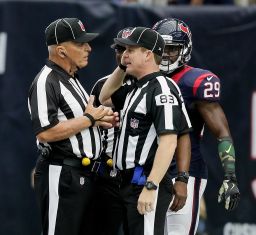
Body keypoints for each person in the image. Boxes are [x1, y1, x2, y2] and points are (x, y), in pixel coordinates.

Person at [28, 17, 118, 235]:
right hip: (62, 173)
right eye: (80, 44)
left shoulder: (72, 78)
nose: (88, 48)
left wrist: (100, 122)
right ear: (61, 51)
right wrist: (89, 119)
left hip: (86, 174)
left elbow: (79, 123)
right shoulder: (46, 81)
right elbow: (45, 132)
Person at [99, 26, 192, 235]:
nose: (124, 54)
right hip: (126, 182)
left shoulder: (162, 88)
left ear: (148, 54)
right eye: (124, 50)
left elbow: (169, 141)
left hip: (144, 180)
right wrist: (124, 66)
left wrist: (151, 186)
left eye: (131, 50)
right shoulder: (137, 87)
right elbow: (104, 97)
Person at [152, 18, 240, 235]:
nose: (165, 55)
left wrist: (230, 176)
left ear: (185, 50)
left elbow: (221, 132)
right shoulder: (141, 78)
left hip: (184, 172)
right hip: (146, 171)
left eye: (171, 49)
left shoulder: (196, 81)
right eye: (161, 48)